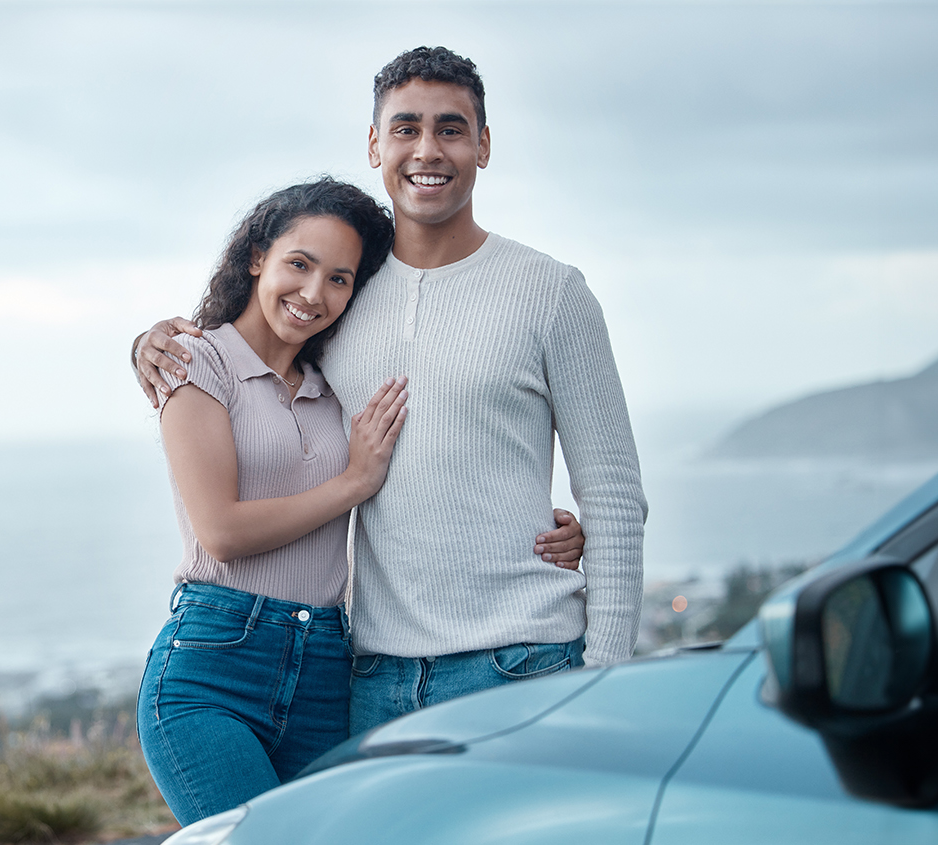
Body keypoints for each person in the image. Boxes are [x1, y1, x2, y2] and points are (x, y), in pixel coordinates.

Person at [132, 46, 645, 737]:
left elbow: (612, 496)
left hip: (526, 663)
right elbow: (255, 368)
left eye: (451, 129)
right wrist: (146, 344)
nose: (427, 149)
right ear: (375, 146)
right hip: (372, 681)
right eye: (405, 128)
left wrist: (604, 675)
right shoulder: (343, 297)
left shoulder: (551, 293)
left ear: (483, 145)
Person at [138, 177, 409, 825]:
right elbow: (221, 530)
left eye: (340, 278)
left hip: (325, 669)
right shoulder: (196, 361)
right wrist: (351, 483)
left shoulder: (338, 383)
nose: (314, 293)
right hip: (214, 667)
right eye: (299, 263)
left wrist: (552, 527)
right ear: (257, 254)